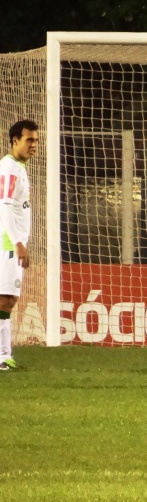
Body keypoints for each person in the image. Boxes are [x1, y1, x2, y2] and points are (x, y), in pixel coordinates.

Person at [0, 120, 38, 371]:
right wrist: (18, 242)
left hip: (11, 243)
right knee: (5, 299)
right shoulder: (9, 168)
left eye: (36, 140)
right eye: (29, 140)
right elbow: (3, 207)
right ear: (15, 140)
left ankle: (4, 354)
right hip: (7, 243)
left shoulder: (19, 167)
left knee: (8, 299)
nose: (34, 145)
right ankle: (2, 356)